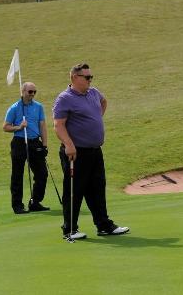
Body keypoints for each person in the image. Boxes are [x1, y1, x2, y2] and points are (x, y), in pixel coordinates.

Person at [52, 63, 129, 240]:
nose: (90, 80)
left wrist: (94, 118)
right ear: (74, 78)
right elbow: (58, 125)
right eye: (86, 77)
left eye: (90, 77)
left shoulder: (93, 93)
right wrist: (69, 144)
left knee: (97, 188)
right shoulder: (65, 98)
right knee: (74, 190)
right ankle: (70, 229)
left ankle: (103, 225)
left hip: (95, 151)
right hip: (76, 153)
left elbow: (104, 101)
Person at [3, 81, 49, 214]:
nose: (32, 94)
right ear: (22, 92)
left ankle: (35, 202)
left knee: (42, 173)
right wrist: (19, 127)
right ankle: (17, 205)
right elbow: (5, 126)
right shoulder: (14, 108)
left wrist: (44, 144)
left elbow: (43, 126)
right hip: (19, 142)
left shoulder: (38, 107)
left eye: (34, 92)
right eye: (30, 92)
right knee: (17, 174)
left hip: (35, 142)